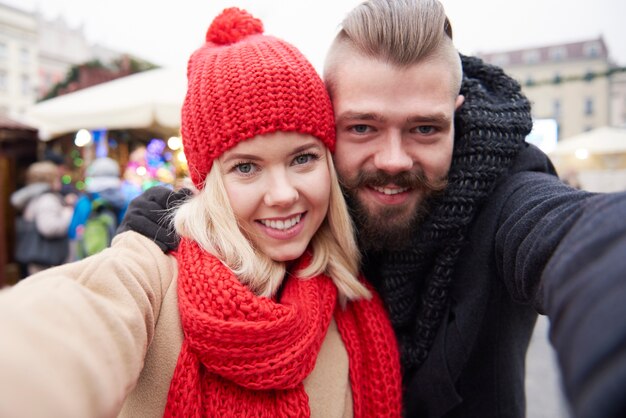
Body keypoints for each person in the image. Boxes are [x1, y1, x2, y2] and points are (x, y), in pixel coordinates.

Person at [121, 1, 626, 417]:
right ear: (323, 126)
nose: (392, 160)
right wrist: (180, 220)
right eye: (362, 128)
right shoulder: (302, 209)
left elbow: (574, 237)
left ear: (457, 115)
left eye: (424, 129)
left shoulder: (508, 192)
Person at [0, 8, 403, 418]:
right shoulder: (151, 275)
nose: (283, 194)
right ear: (207, 183)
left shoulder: (355, 306)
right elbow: (63, 331)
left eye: (303, 158)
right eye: (246, 167)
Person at [10, 161, 73, 276]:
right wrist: (68, 212)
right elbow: (49, 228)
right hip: (48, 262)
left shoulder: (33, 198)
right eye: (57, 177)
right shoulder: (47, 199)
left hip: (39, 260)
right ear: (50, 179)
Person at [67, 157, 129, 259]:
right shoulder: (124, 200)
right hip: (116, 257)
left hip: (88, 260)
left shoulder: (85, 201)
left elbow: (73, 232)